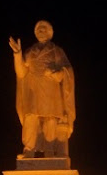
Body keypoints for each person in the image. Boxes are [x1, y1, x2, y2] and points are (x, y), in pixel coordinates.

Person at [9, 20, 75, 158]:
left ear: (50, 33)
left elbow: (67, 71)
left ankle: (49, 152)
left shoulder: (56, 51)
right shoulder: (30, 52)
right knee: (30, 118)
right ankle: (28, 150)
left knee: (51, 119)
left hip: (51, 92)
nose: (41, 31)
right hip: (34, 91)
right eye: (38, 29)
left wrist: (56, 73)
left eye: (44, 29)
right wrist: (18, 54)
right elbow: (21, 73)